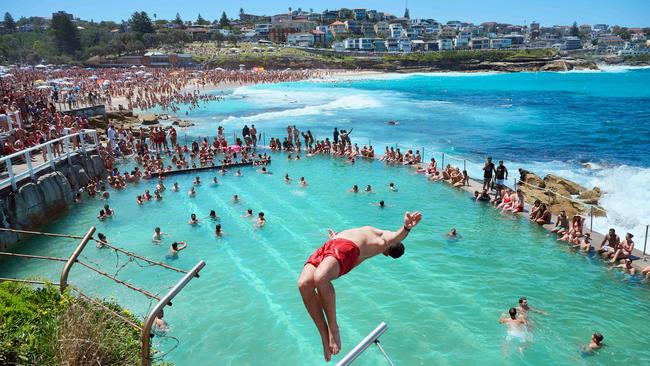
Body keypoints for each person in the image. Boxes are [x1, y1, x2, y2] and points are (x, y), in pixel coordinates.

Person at [297, 211, 422, 361]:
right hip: (331, 245)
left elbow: (396, 236)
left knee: (321, 278)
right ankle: (324, 334)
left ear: (388, 251)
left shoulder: (383, 241)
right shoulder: (377, 235)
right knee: (303, 284)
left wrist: (406, 228)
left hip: (345, 249)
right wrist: (336, 236)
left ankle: (333, 328)